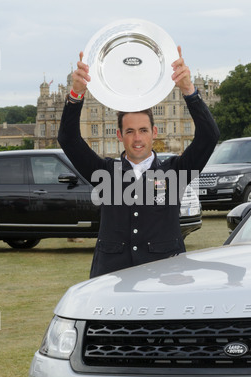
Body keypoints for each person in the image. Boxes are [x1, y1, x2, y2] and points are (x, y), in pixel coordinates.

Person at [58, 46, 220, 278]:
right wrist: (76, 94)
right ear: (119, 135)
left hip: (166, 278)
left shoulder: (175, 173)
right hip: (112, 277)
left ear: (154, 132)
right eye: (130, 131)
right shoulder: (105, 173)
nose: (137, 138)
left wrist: (188, 90)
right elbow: (68, 139)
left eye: (143, 130)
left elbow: (209, 136)